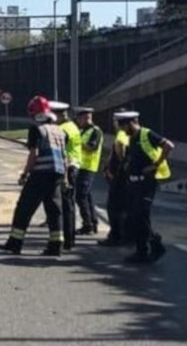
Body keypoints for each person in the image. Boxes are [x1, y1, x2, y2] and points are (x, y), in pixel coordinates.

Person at [0, 95, 69, 256]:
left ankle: (15, 243)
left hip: (40, 174)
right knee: (54, 210)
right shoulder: (61, 132)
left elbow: (34, 154)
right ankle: (56, 245)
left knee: (24, 208)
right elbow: (65, 156)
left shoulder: (36, 130)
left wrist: (25, 173)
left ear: (35, 114)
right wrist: (65, 178)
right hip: (57, 174)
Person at [115, 111, 174, 264]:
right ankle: (142, 251)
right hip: (134, 183)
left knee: (141, 216)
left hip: (146, 183)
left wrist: (155, 165)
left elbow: (168, 145)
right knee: (135, 218)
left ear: (131, 123)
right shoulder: (132, 138)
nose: (122, 130)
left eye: (123, 126)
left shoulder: (146, 134)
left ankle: (153, 246)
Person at [98, 108, 131, 247]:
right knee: (122, 207)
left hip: (119, 178)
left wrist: (117, 168)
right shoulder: (129, 134)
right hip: (122, 177)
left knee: (114, 208)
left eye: (114, 120)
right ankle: (122, 235)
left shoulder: (122, 134)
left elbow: (120, 147)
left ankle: (116, 236)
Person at [50, 101, 81, 250]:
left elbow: (61, 151)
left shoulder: (62, 129)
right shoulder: (72, 126)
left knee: (65, 206)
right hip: (74, 166)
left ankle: (67, 240)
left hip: (67, 168)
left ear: (59, 115)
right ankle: (70, 239)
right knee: (69, 205)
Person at [73, 107, 103, 235]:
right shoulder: (83, 131)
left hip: (88, 167)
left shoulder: (95, 131)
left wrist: (76, 143)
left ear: (85, 118)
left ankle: (87, 225)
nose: (78, 121)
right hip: (81, 166)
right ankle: (93, 222)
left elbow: (92, 147)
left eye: (79, 119)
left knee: (81, 196)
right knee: (87, 196)